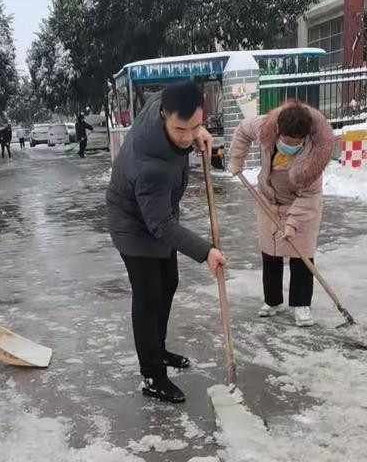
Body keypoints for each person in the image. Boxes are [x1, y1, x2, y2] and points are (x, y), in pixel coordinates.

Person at [106, 82, 225, 403]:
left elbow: (179, 102)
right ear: (162, 117)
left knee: (168, 282)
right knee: (148, 296)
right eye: (180, 129)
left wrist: (197, 130)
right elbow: (160, 225)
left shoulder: (166, 103)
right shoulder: (151, 165)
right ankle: (152, 376)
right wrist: (205, 252)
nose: (187, 136)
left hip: (157, 211)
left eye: (195, 125)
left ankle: (157, 350)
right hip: (133, 224)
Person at [228, 100, 335, 327]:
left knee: (302, 257)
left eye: (296, 143)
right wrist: (237, 160)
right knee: (271, 253)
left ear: (305, 137)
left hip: (301, 205)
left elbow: (310, 196)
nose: (290, 146)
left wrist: (292, 224)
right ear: (278, 130)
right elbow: (241, 131)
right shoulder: (264, 127)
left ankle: (301, 304)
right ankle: (272, 301)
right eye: (286, 141)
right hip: (269, 200)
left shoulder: (315, 155)